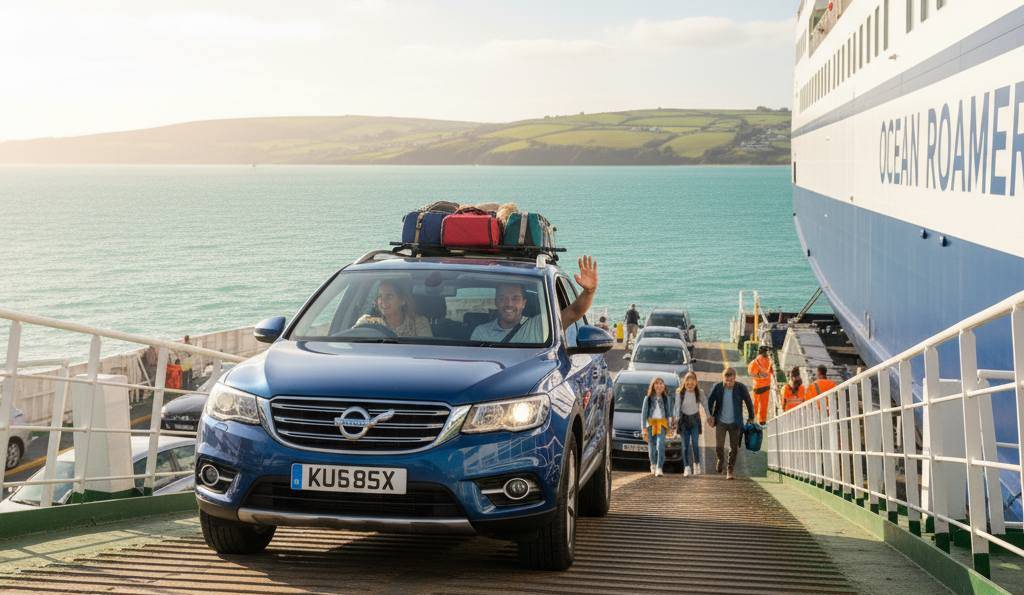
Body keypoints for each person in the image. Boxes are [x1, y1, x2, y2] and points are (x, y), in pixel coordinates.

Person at [471, 256, 598, 342]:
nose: (508, 303)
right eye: (502, 298)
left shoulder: (541, 326)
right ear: (496, 302)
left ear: (524, 303)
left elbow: (574, 312)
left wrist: (589, 292)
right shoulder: (481, 333)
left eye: (515, 298)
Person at [706, 367, 755, 480]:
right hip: (721, 421)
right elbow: (710, 401)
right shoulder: (717, 387)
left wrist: (751, 417)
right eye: (726, 381)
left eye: (731, 380)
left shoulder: (741, 387)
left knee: (734, 448)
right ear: (723, 379)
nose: (729, 383)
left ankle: (730, 469)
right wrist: (710, 416)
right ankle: (720, 459)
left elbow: (748, 401)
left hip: (735, 423)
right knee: (719, 446)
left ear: (735, 378)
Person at [356, 280, 432, 337]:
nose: (383, 301)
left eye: (389, 296)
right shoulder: (367, 322)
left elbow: (427, 351)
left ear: (402, 300)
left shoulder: (419, 323)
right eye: (380, 296)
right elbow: (352, 345)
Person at [641, 376, 675, 477]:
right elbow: (643, 414)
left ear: (664, 386)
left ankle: (659, 467)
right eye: (657, 383)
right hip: (651, 424)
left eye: (661, 383)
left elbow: (669, 413)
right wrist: (643, 428)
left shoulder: (666, 398)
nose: (659, 385)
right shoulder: (648, 398)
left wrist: (669, 427)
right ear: (653, 386)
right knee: (651, 446)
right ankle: (653, 464)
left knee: (660, 445)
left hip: (662, 423)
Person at [673, 371, 704, 476]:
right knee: (685, 446)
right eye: (688, 383)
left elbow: (705, 405)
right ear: (684, 383)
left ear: (695, 383)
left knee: (695, 444)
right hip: (684, 422)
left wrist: (709, 417)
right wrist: (676, 418)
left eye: (692, 383)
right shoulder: (679, 393)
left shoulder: (699, 392)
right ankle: (687, 467)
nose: (690, 385)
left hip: (695, 420)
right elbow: (677, 407)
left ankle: (697, 465)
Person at [747, 345, 774, 424]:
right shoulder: (769, 361)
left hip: (758, 386)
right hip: (766, 386)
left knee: (755, 404)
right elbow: (772, 371)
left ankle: (751, 420)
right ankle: (762, 421)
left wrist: (758, 375)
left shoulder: (755, 361)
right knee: (764, 405)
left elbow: (750, 373)